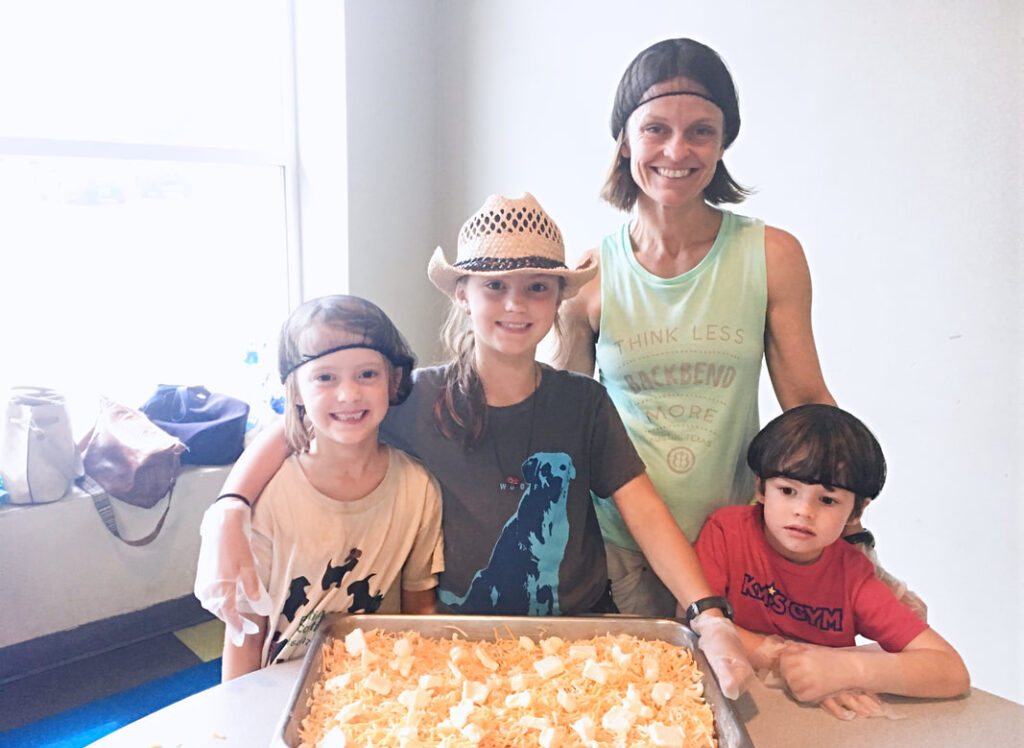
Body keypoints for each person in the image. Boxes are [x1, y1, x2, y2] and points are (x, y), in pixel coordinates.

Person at [196, 192, 753, 698]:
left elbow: (646, 512)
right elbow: (299, 426)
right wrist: (229, 508)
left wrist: (708, 615)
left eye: (537, 286)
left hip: (577, 637)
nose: (516, 305)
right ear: (463, 294)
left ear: (560, 296)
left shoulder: (582, 402)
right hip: (459, 644)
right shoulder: (412, 397)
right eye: (495, 286)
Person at [553, 37, 919, 619]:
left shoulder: (771, 255)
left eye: (701, 130)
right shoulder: (588, 277)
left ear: (723, 143)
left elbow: (805, 401)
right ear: (624, 140)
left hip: (737, 541)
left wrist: (850, 524)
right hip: (618, 547)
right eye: (656, 129)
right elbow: (566, 426)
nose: (678, 149)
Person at [212, 295, 443, 681]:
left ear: (393, 380)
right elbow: (244, 634)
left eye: (367, 374)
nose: (349, 394)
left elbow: (419, 609)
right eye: (325, 377)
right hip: (281, 683)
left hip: (380, 686)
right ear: (297, 391)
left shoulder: (418, 489)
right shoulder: (269, 495)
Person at [694, 404, 969, 719]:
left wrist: (848, 669)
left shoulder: (853, 576)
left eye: (827, 500)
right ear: (760, 488)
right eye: (787, 490)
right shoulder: (727, 533)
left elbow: (951, 670)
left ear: (856, 512)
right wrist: (783, 658)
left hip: (823, 724)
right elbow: (696, 623)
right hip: (733, 704)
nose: (804, 511)